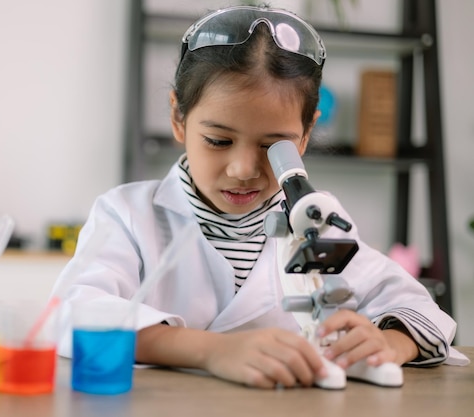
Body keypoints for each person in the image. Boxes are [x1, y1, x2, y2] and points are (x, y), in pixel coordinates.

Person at [52, 5, 459, 389]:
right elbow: (75, 314)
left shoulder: (316, 223)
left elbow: (421, 310)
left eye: (273, 145)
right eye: (217, 140)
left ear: (304, 135)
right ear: (178, 117)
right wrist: (211, 351)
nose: (243, 168)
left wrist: (388, 343)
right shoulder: (127, 216)